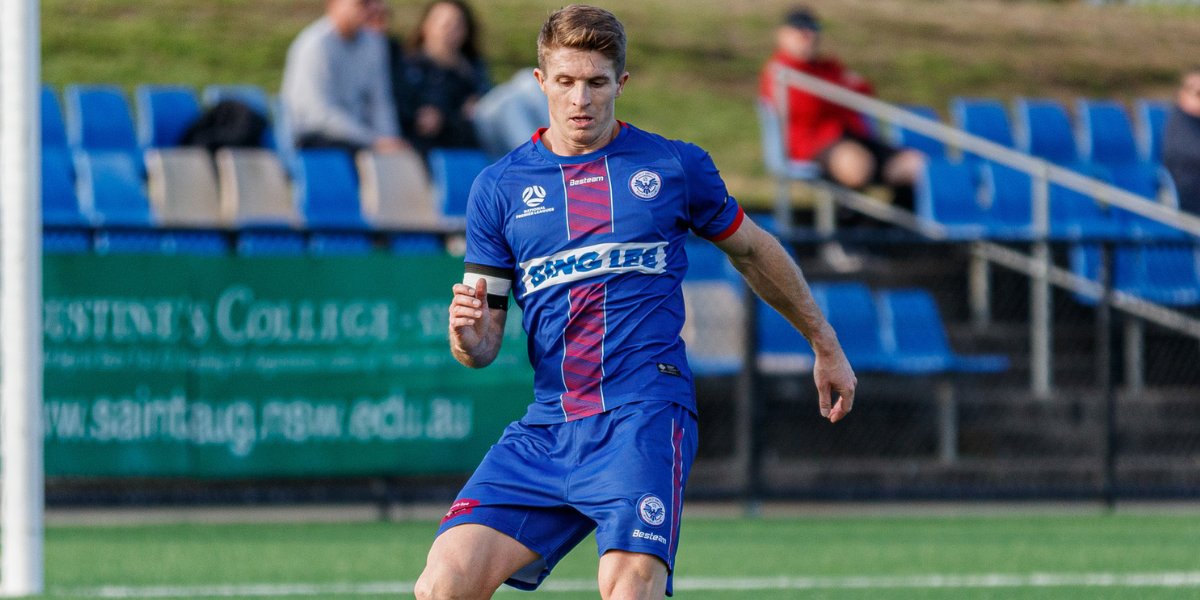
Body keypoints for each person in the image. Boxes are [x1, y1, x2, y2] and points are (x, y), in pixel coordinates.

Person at [415, 5, 857, 600]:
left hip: (642, 412)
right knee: (443, 585)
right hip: (549, 424)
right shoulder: (499, 188)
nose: (581, 99)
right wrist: (466, 338)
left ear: (620, 84)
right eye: (566, 81)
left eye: (597, 82)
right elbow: (483, 344)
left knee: (627, 586)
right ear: (541, 81)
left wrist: (824, 344)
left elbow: (754, 250)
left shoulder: (672, 165)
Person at [759, 6, 922, 209]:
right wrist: (836, 92)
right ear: (783, 35)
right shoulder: (780, 71)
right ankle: (848, 224)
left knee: (916, 165)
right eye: (801, 30)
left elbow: (863, 90)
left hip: (855, 136)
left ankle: (896, 228)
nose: (809, 36)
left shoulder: (828, 67)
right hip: (815, 144)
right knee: (854, 165)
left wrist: (834, 93)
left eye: (813, 29)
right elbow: (805, 106)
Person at [280, 0, 405, 153]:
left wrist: (390, 139)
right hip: (316, 139)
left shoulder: (375, 43)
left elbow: (380, 102)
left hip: (361, 139)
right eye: (363, 3)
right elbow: (318, 115)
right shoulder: (315, 45)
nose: (372, 8)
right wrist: (373, 141)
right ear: (334, 4)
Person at [397, 0, 491, 156]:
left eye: (457, 25)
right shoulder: (409, 68)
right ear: (426, 26)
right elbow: (421, 119)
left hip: (473, 146)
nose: (449, 31)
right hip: (427, 149)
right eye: (444, 24)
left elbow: (485, 104)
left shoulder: (472, 70)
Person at [1162, 66, 1200, 215]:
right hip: (1187, 190)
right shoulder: (1180, 123)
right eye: (1198, 93)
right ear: (1182, 95)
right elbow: (1188, 152)